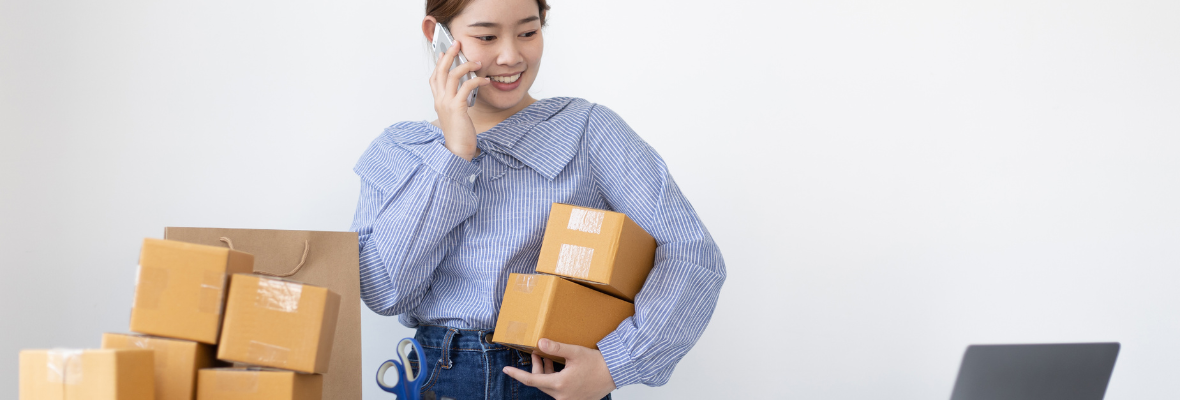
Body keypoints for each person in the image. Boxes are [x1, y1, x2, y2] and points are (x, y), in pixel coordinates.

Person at [350, 0, 726, 398]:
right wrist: (453, 154)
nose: (511, 55)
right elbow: (384, 293)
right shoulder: (399, 149)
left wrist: (617, 363)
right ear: (436, 34)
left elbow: (690, 249)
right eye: (486, 36)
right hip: (437, 378)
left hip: (550, 378)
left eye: (528, 32)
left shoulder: (588, 130)